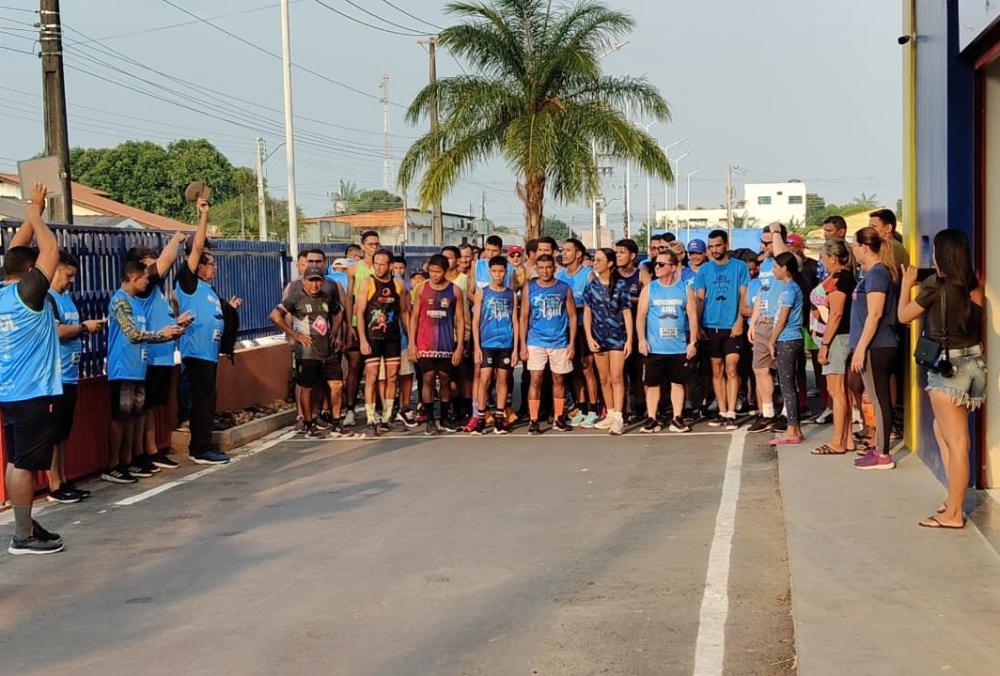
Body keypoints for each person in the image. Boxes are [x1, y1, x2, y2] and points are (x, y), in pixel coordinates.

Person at [899, 229, 985, 528]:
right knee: (942, 432)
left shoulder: (935, 285)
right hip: (974, 366)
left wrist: (906, 285)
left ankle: (953, 513)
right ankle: (953, 498)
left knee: (959, 442)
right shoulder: (972, 284)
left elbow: (903, 316)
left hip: (948, 369)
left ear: (939, 254)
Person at [2, 184, 66, 554]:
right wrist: (35, 214)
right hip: (33, 393)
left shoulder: (3, 293)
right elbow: (50, 250)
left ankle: (25, 525)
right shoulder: (28, 294)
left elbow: (15, 253)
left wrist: (33, 210)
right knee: (25, 466)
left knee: (16, 461)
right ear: (29, 273)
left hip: (10, 393)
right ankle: (22, 537)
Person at [105, 261, 186, 483]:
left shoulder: (138, 304)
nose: (148, 281)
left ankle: (129, 460)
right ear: (133, 277)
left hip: (138, 368)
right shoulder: (120, 301)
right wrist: (162, 334)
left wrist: (171, 331)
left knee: (134, 417)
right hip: (122, 368)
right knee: (120, 418)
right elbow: (132, 334)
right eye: (145, 277)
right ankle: (113, 464)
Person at [176, 198, 242, 465]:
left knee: (207, 399)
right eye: (210, 263)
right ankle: (199, 448)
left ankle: (203, 444)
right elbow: (198, 246)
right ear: (198, 265)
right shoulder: (188, 281)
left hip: (210, 353)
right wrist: (203, 216)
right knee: (203, 401)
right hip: (196, 352)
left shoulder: (208, 290)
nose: (213, 267)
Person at [44, 251, 106, 503]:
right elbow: (56, 331)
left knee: (64, 434)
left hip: (71, 375)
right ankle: (54, 484)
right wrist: (83, 328)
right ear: (54, 269)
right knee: (53, 434)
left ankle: (65, 478)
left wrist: (85, 329)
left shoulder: (66, 298)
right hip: (54, 376)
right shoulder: (46, 298)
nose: (71, 280)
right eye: (68, 275)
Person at [128, 232, 188, 471]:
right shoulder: (143, 287)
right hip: (150, 355)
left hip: (162, 354)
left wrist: (177, 321)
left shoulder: (153, 290)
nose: (155, 261)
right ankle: (145, 451)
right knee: (144, 408)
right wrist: (176, 239)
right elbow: (166, 261)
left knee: (152, 407)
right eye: (149, 258)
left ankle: (152, 449)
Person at [271, 264, 345, 438]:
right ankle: (308, 424)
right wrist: (294, 334)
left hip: (328, 350)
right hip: (307, 352)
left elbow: (339, 310)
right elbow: (274, 316)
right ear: (304, 281)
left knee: (337, 385)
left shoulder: (326, 297)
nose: (315, 285)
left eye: (318, 280)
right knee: (307, 388)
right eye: (311, 281)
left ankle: (336, 423)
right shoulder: (295, 298)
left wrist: (335, 330)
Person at [849, 226, 899, 470]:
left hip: (878, 345)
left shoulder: (877, 275)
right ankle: (879, 448)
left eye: (855, 246)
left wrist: (860, 349)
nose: (853, 250)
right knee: (878, 399)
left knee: (879, 400)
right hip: (876, 345)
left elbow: (875, 314)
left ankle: (883, 453)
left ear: (864, 247)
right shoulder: (872, 274)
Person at [636, 251, 699, 433]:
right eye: (656, 263)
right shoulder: (650, 289)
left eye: (661, 264)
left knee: (678, 383)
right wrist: (641, 340)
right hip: (655, 346)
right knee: (652, 384)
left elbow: (693, 318)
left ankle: (677, 418)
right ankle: (652, 418)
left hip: (678, 346)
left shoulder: (684, 289)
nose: (657, 267)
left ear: (673, 267)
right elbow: (641, 316)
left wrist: (692, 342)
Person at [694, 230, 750, 430]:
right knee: (716, 370)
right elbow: (700, 298)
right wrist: (698, 325)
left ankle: (732, 413)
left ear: (725, 244)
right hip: (710, 326)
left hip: (731, 326)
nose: (714, 249)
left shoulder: (739, 267)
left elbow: (744, 294)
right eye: (711, 246)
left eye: (717, 245)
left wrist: (739, 321)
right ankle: (722, 410)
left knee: (732, 368)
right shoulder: (705, 270)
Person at [356, 249, 410, 438]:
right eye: (376, 263)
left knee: (392, 376)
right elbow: (359, 313)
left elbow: (404, 311)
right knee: (371, 376)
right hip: (373, 337)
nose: (379, 267)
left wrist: (410, 338)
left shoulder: (397, 283)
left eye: (383, 264)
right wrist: (362, 339)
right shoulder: (367, 282)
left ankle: (387, 417)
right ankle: (371, 418)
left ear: (390, 265)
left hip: (393, 337)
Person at [520, 253, 576, 435]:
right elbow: (524, 317)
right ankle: (534, 420)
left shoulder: (564, 288)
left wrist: (572, 343)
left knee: (559, 379)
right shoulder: (530, 287)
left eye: (548, 267)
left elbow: (573, 316)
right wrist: (522, 344)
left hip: (559, 341)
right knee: (536, 379)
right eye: (541, 268)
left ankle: (559, 417)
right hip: (536, 340)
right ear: (536, 269)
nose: (545, 271)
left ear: (554, 268)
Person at [409, 254, 465, 435]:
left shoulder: (455, 291)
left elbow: (460, 320)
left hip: (446, 343)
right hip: (425, 343)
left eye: (438, 271)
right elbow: (414, 317)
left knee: (446, 380)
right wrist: (412, 344)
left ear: (445, 271)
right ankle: (430, 420)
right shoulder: (421, 289)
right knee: (428, 379)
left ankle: (445, 418)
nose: (434, 275)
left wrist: (459, 346)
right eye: (431, 271)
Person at [810, 239, 856, 455]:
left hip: (838, 339)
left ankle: (838, 441)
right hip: (839, 337)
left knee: (836, 391)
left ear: (833, 257)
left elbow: (836, 314)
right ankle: (846, 439)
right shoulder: (842, 277)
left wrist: (825, 344)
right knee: (842, 391)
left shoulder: (841, 278)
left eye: (824, 257)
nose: (823, 262)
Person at [582, 248, 633, 435]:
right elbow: (587, 311)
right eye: (594, 260)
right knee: (603, 378)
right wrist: (588, 336)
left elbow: (627, 312)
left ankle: (619, 416)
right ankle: (610, 413)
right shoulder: (592, 285)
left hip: (618, 337)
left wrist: (629, 339)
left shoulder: (620, 285)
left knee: (617, 376)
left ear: (609, 263)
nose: (595, 263)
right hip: (598, 336)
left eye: (599, 260)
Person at [469, 255, 519, 435]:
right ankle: (481, 417)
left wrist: (516, 348)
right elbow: (475, 321)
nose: (498, 275)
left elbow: (515, 321)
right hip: (486, 343)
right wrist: (476, 347)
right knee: (485, 379)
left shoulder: (511, 294)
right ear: (489, 272)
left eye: (501, 272)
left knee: (503, 379)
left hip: (505, 342)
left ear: (506, 273)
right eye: (495, 272)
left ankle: (500, 417)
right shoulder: (482, 292)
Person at [747, 222, 789, 432]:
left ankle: (787, 413)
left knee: (784, 370)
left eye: (768, 241)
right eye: (762, 241)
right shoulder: (764, 265)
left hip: (781, 323)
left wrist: (776, 233)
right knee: (760, 369)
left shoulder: (786, 260)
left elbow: (782, 252)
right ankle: (768, 413)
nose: (763, 246)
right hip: (763, 322)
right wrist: (753, 321)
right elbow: (762, 293)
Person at [556, 238, 599, 427]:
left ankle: (594, 408)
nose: (563, 253)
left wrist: (576, 306)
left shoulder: (589, 275)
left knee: (587, 367)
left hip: (585, 327)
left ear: (578, 254)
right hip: (565, 329)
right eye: (562, 250)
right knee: (572, 370)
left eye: (567, 250)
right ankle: (580, 407)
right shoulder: (560, 276)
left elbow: (595, 302)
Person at [345, 230, 382, 427]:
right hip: (356, 324)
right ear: (362, 246)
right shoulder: (354, 270)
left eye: (376, 243)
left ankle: (374, 407)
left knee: (374, 369)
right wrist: (349, 325)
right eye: (370, 244)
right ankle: (350, 409)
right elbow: (348, 298)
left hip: (375, 326)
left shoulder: (382, 269)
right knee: (354, 366)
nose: (374, 247)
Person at [768, 253, 805, 445]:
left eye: (775, 266)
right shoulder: (789, 288)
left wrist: (772, 340)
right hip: (790, 339)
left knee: (787, 385)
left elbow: (783, 318)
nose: (773, 270)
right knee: (789, 384)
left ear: (785, 268)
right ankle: (795, 427)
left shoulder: (790, 290)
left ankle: (792, 429)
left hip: (788, 339)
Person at [615, 238, 644, 421]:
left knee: (637, 372)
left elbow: (648, 298)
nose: (618, 256)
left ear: (632, 255)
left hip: (636, 330)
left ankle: (639, 406)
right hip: (616, 331)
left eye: (622, 252)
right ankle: (621, 409)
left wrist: (627, 301)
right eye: (616, 252)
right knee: (619, 373)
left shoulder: (641, 274)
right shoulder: (612, 275)